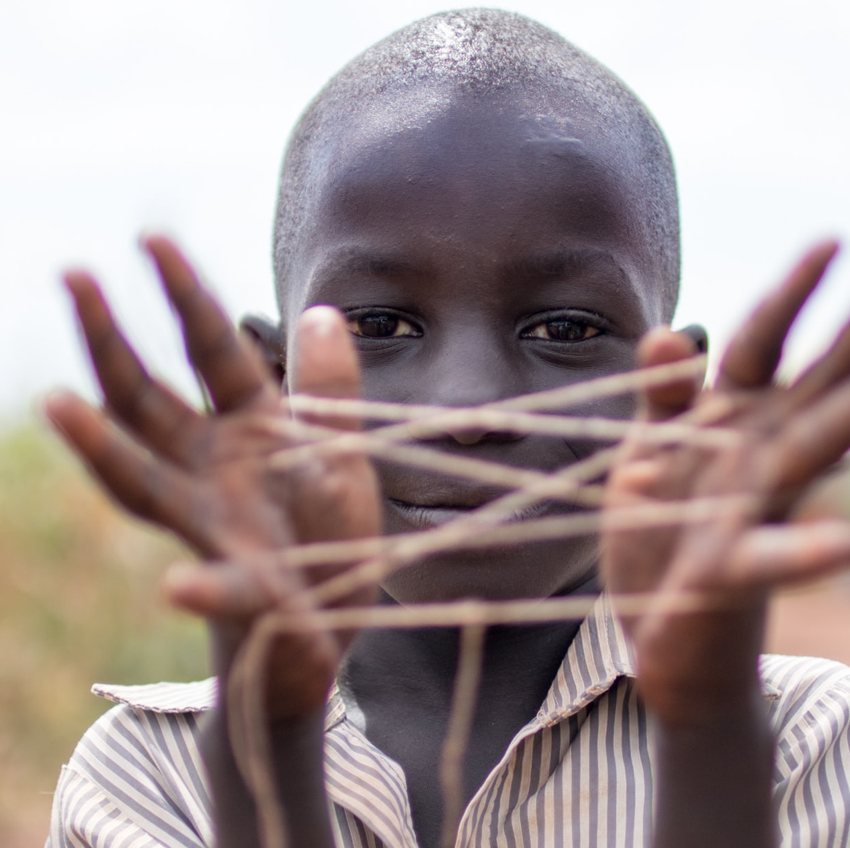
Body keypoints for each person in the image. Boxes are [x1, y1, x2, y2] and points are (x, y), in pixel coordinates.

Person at [44, 9, 850, 848]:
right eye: (382, 326)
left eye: (565, 330)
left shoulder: (811, 746)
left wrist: (710, 733)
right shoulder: (149, 779)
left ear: (667, 395)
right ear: (272, 384)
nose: (467, 409)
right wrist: (269, 741)